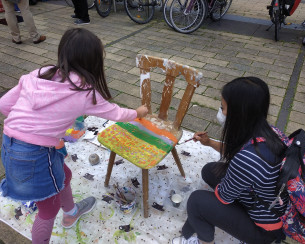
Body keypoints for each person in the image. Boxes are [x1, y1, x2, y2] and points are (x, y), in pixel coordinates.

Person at [0, 28, 148, 244]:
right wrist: (138, 113)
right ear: (94, 62)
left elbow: (4, 105)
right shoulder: (86, 91)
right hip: (36, 153)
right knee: (48, 210)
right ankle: (57, 223)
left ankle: (71, 211)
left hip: (9, 143)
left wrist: (37, 127)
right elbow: (116, 113)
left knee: (64, 175)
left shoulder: (40, 73)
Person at [172, 77, 289, 244]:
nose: (221, 113)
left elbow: (224, 196)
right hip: (268, 202)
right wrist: (210, 143)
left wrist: (213, 202)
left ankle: (203, 240)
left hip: (265, 229)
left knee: (197, 202)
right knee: (209, 170)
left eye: (223, 108)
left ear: (239, 112)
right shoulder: (270, 131)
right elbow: (238, 151)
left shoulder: (247, 159)